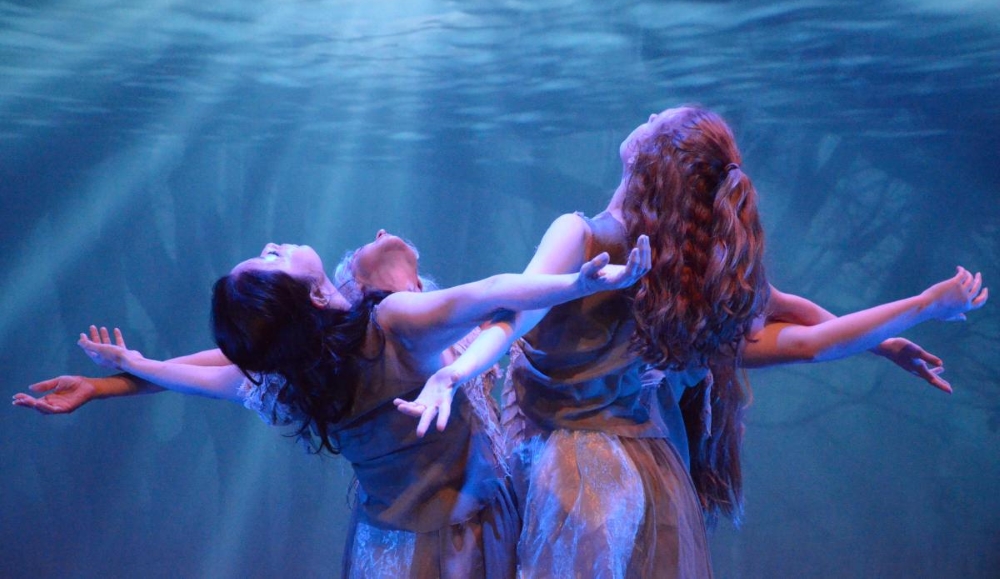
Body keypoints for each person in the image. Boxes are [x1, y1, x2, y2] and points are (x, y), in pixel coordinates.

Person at [395, 106, 989, 578]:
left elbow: (513, 315)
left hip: (577, 472)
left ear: (654, 160)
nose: (648, 116)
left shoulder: (580, 235)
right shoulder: (691, 269)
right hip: (646, 472)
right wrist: (903, 324)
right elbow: (806, 331)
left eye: (657, 121)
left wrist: (455, 372)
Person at [18, 233, 651, 579]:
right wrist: (578, 284)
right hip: (458, 544)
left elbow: (208, 373)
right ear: (316, 297)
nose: (272, 242)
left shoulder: (288, 380)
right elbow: (489, 293)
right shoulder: (395, 326)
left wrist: (125, 375)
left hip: (385, 551)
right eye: (270, 259)